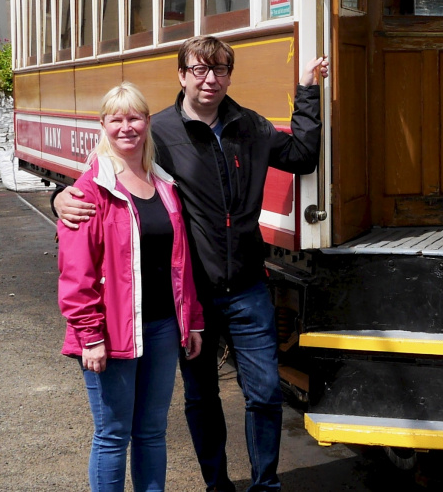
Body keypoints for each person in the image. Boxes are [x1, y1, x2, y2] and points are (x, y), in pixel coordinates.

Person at [57, 36, 327, 492]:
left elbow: (302, 156)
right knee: (201, 398)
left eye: (220, 70)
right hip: (193, 296)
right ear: (181, 76)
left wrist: (306, 90)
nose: (210, 79)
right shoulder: (158, 131)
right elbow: (110, 175)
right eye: (199, 70)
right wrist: (61, 196)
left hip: (246, 286)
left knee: (262, 394)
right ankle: (217, 485)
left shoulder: (250, 126)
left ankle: (265, 485)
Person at [58, 82, 205, 492]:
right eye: (117, 119)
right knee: (112, 435)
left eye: (134, 117)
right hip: (112, 331)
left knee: (152, 433)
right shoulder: (90, 189)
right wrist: (90, 336)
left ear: (147, 122)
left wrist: (191, 321)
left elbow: (181, 263)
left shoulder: (164, 185)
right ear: (103, 125)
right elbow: (76, 273)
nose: (127, 127)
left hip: (160, 328)